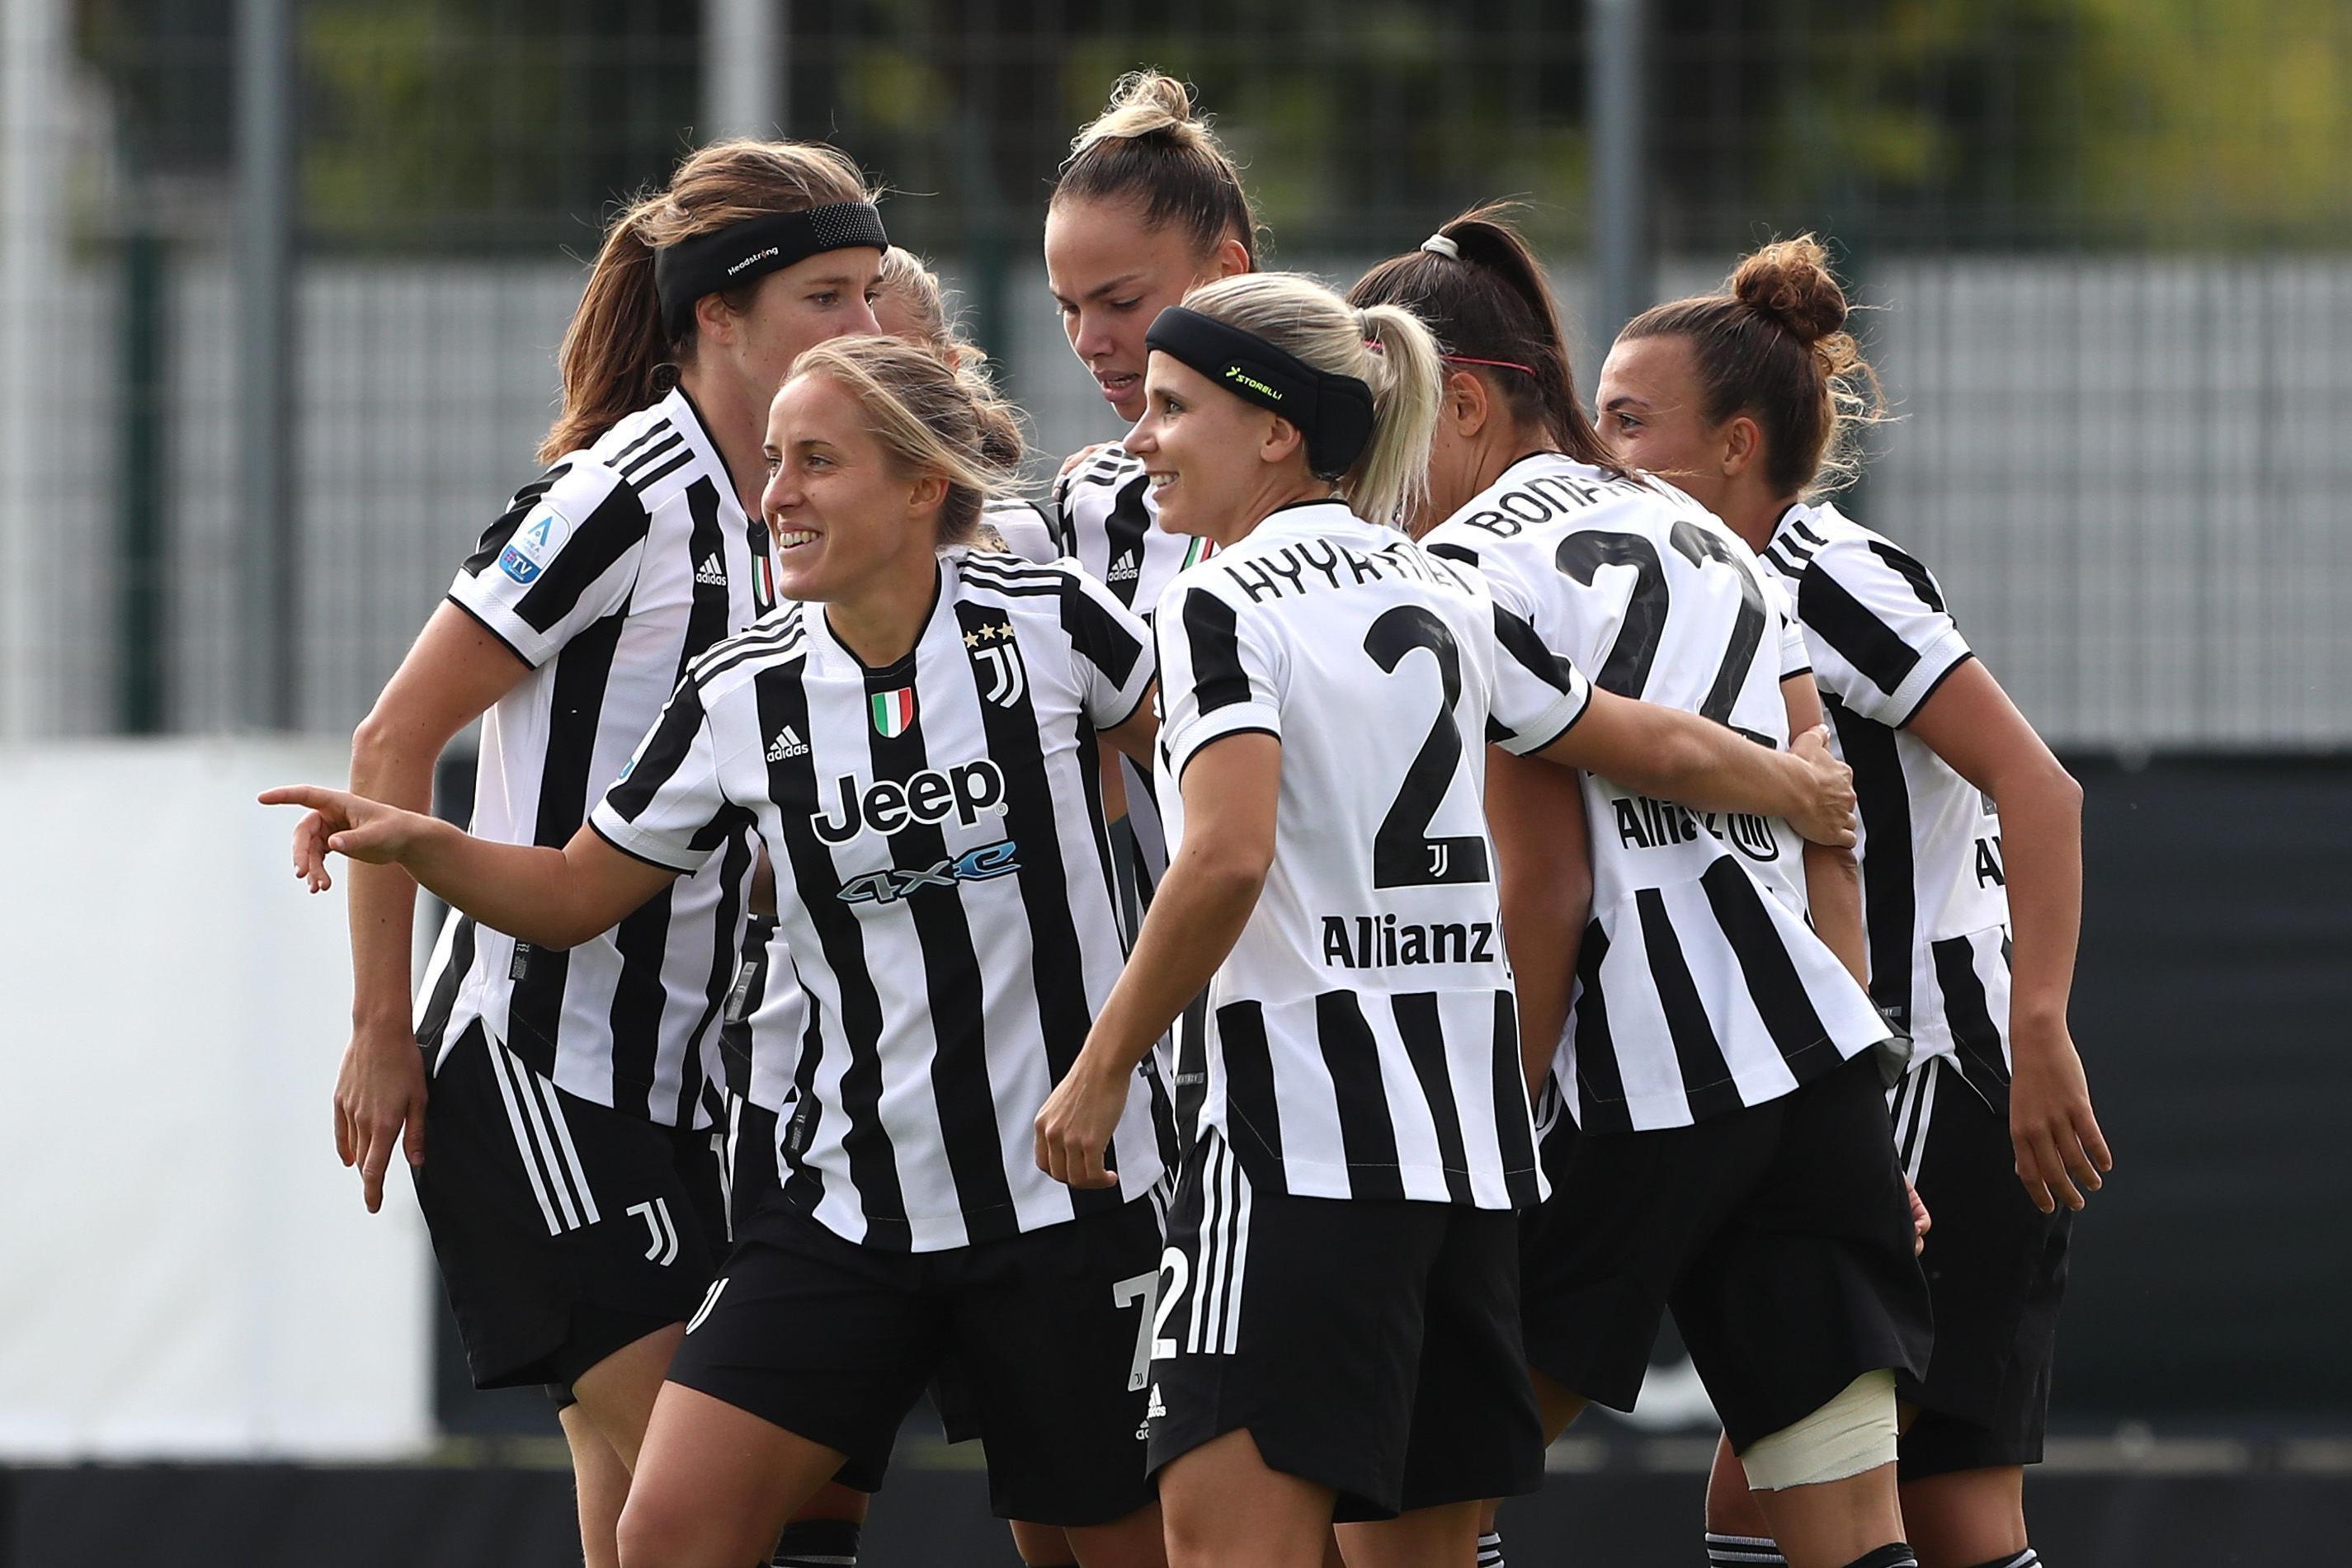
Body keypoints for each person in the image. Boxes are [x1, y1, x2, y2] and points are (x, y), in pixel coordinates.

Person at [271, 337, 1173, 1568]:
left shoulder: (1054, 620)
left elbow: (1212, 775)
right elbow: (577, 890)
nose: (775, 496)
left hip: (1070, 1199)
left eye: (815, 463)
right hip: (849, 1206)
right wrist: (421, 841)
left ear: (920, 488)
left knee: (1110, 1550)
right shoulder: (741, 689)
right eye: (769, 464)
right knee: (671, 1532)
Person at [1031, 272, 1864, 1568]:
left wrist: (1099, 1070)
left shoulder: (1215, 604)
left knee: (1223, 1542)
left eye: (1173, 404)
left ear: (1276, 429)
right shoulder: (1435, 588)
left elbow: (1222, 860)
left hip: (1293, 1154)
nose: (1139, 434)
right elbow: (1624, 733)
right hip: (1463, 1177)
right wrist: (1793, 784)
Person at [309, 137, 885, 1568]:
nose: (866, 330)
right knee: (759, 1494)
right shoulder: (622, 497)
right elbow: (392, 742)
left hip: (675, 1084)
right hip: (537, 1070)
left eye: (874, 291)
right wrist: (383, 1027)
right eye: (828, 295)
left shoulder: (782, 507)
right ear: (718, 315)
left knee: (651, 1520)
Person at [1353, 206, 1936, 1568]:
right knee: (1851, 1535)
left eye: (1379, 424)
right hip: (1810, 1074)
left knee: (1404, 1499)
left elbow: (1541, 887)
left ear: (1477, 407)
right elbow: (1826, 823)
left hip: (1633, 1089)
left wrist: (1488, 1146)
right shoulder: (1715, 537)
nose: (1361, 473)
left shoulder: (1458, 571)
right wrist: (1851, 1064)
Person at [1597, 236, 2109, 1568]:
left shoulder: (1827, 575)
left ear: (1735, 443)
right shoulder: (1687, 590)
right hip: (1854, 1079)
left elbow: (2038, 790)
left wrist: (2037, 1031)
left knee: (1929, 1505)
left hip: (1946, 1072)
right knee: (1784, 1489)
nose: (1600, 454)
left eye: (1630, 421)